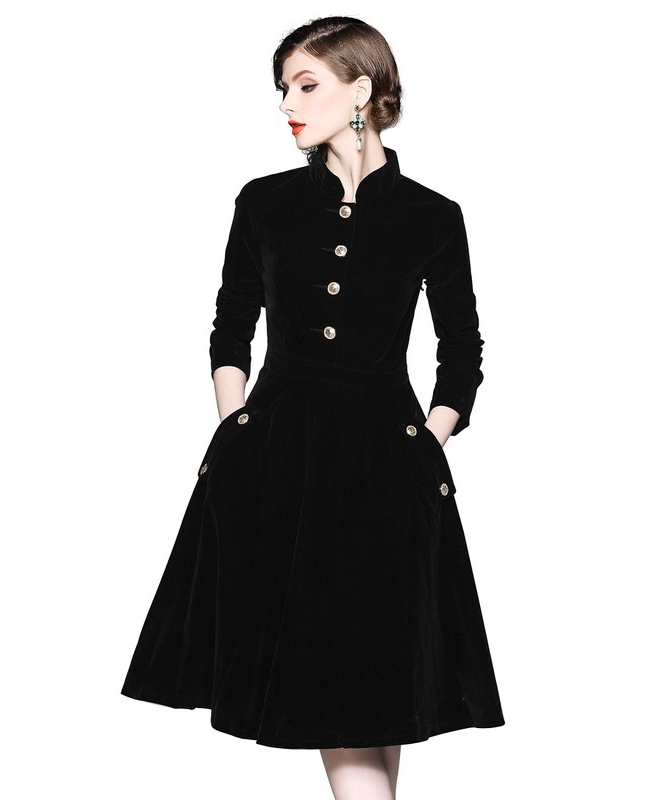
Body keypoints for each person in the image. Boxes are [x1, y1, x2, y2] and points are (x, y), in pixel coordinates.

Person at [121, 15, 505, 799]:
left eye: (305, 85)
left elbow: (462, 352)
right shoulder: (265, 202)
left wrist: (426, 443)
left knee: (375, 687)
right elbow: (231, 324)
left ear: (360, 91)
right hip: (279, 460)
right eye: (282, 89)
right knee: (340, 689)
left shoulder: (432, 215)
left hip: (387, 466)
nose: (286, 104)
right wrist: (235, 427)